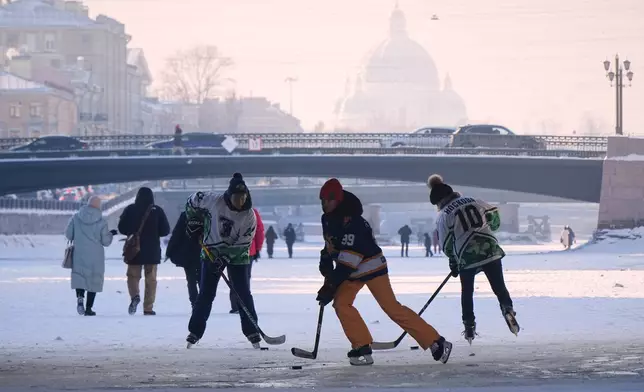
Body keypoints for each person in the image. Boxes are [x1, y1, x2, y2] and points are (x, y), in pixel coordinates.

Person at [315, 178, 452, 366]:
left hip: (372, 267)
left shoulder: (353, 222)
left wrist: (331, 285)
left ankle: (436, 342)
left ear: (337, 200)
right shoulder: (327, 219)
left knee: (392, 308)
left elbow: (349, 260)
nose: (324, 204)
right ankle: (361, 345)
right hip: (351, 271)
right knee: (341, 303)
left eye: (328, 200)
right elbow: (330, 245)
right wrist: (326, 268)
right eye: (322, 200)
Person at [428, 174, 519, 344]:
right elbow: (494, 214)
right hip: (490, 248)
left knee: (467, 292)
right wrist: (492, 227)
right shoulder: (475, 200)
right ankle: (507, 309)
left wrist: (454, 263)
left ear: (438, 202)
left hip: (467, 255)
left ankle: (469, 326)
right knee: (499, 287)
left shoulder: (444, 215)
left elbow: (446, 244)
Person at [184, 173, 260, 348]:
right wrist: (193, 221)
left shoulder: (249, 216)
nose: (240, 201)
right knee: (206, 293)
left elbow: (244, 243)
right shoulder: (212, 200)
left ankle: (252, 331)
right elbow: (191, 201)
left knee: (242, 293)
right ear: (229, 195)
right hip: (211, 249)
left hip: (237, 254)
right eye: (236, 197)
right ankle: (194, 331)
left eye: (243, 197)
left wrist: (226, 256)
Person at [118, 187, 170, 316]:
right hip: (152, 250)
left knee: (133, 276)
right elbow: (165, 231)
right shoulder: (157, 211)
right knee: (151, 279)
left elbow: (121, 228)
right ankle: (148, 308)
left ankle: (135, 296)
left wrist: (132, 232)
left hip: (134, 250)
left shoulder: (130, 209)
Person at [65, 196, 115, 316]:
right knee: (94, 280)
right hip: (95, 256)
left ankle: (80, 297)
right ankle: (88, 308)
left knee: (80, 277)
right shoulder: (101, 221)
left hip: (79, 253)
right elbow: (106, 242)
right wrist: (111, 234)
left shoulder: (76, 217)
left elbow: (68, 234)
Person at [229, 208, 265, 314]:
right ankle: (243, 304)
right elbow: (259, 231)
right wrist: (258, 248)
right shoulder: (252, 212)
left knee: (232, 278)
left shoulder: (226, 211)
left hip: (230, 250)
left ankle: (235, 304)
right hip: (248, 250)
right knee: (244, 279)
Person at [166, 211, 202, 309]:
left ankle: (194, 303)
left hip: (188, 252)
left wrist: (169, 251)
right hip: (203, 252)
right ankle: (203, 301)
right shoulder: (206, 214)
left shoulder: (185, 215)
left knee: (191, 279)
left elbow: (177, 233)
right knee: (202, 279)